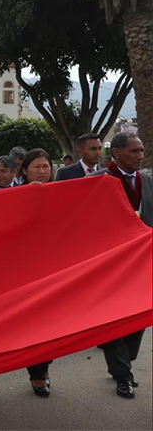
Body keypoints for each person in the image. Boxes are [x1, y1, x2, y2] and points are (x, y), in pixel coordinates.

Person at [89, 133, 151, 399]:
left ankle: (125, 361)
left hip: (142, 264)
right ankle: (123, 375)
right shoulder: (97, 181)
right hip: (109, 265)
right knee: (114, 319)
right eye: (134, 151)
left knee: (137, 319)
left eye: (141, 151)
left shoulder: (147, 181)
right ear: (116, 153)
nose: (140, 156)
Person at [16, 148, 55, 397]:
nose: (42, 171)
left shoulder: (63, 193)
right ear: (24, 171)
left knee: (52, 322)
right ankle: (37, 373)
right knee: (32, 324)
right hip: (24, 271)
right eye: (36, 167)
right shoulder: (13, 196)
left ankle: (44, 365)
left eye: (46, 166)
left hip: (55, 268)